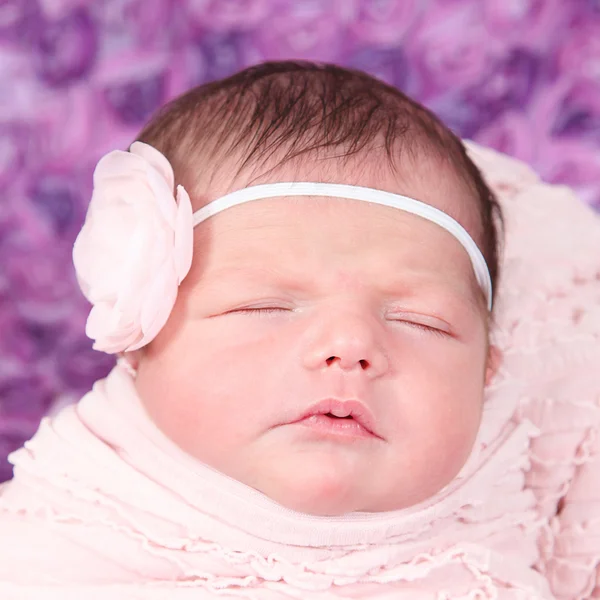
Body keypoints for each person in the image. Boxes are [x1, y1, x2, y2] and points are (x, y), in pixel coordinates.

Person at [1, 61, 599, 599]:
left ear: (488, 368)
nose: (350, 345)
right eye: (264, 307)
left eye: (421, 321)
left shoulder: (508, 496)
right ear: (142, 333)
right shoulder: (60, 538)